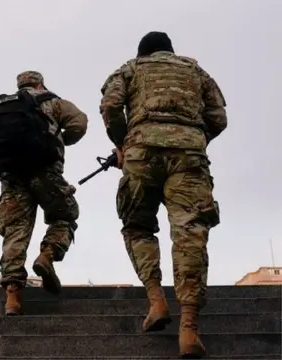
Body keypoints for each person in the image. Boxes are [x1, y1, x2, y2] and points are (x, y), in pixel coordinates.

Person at [99, 31, 227, 358]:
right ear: (170, 51)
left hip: (141, 153)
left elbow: (111, 105)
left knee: (137, 226)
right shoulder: (196, 71)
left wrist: (123, 143)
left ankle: (156, 300)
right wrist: (193, 137)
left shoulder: (130, 68)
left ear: (143, 53)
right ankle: (189, 329)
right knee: (190, 233)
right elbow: (218, 118)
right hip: (189, 156)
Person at [0, 71, 88, 315]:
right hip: (46, 174)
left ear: (19, 86)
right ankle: (47, 255)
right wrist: (58, 141)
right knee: (65, 216)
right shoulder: (54, 102)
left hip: (13, 179)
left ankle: (13, 298)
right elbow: (79, 123)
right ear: (40, 83)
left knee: (15, 235)